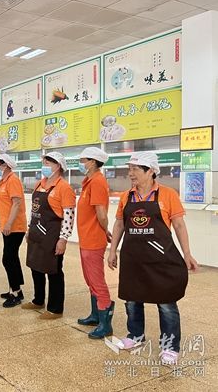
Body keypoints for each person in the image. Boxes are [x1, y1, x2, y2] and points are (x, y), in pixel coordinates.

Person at [108, 152, 198, 365]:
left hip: (160, 260)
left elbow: (179, 225)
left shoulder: (168, 194)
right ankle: (135, 336)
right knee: (132, 300)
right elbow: (120, 224)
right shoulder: (127, 196)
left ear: (150, 171)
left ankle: (170, 346)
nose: (130, 173)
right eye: (129, 169)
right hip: (133, 259)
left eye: (135, 169)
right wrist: (112, 250)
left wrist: (187, 253)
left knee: (166, 303)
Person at [24, 152, 76, 319]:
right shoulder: (40, 184)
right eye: (44, 163)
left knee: (53, 271)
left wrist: (63, 239)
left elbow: (69, 215)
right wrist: (29, 228)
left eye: (48, 163)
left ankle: (55, 308)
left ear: (58, 166)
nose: (44, 166)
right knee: (35, 267)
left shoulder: (64, 187)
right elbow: (34, 210)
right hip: (36, 233)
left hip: (52, 235)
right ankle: (38, 300)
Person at [76, 147, 115, 338]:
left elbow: (101, 213)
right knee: (90, 279)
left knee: (97, 281)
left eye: (83, 160)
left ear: (92, 162)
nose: (81, 163)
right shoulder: (89, 181)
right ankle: (95, 315)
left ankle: (105, 324)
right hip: (86, 239)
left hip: (93, 240)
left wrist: (105, 230)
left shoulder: (98, 181)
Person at [0, 153, 27, 308]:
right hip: (7, 226)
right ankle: (15, 289)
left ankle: (16, 293)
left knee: (8, 259)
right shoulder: (4, 181)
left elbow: (17, 203)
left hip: (15, 227)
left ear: (5, 165)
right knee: (12, 258)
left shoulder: (13, 180)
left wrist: (8, 224)